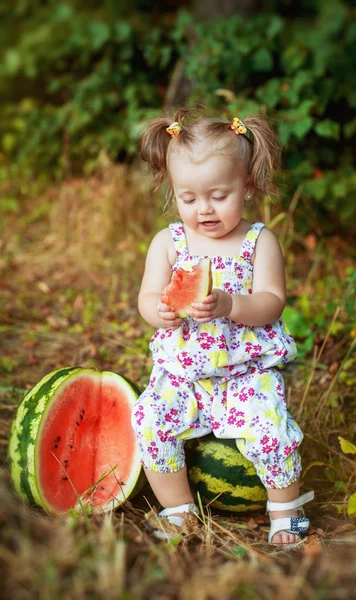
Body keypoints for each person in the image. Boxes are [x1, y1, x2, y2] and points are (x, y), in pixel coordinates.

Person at [131, 108, 314, 545]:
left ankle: (287, 514)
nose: (204, 209)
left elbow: (272, 302)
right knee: (150, 420)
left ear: (247, 186)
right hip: (183, 373)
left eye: (218, 195)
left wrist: (231, 304)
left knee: (271, 430)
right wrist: (163, 312)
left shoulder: (259, 241)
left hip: (245, 372)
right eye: (188, 198)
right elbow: (146, 299)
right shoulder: (168, 243)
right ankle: (178, 512)